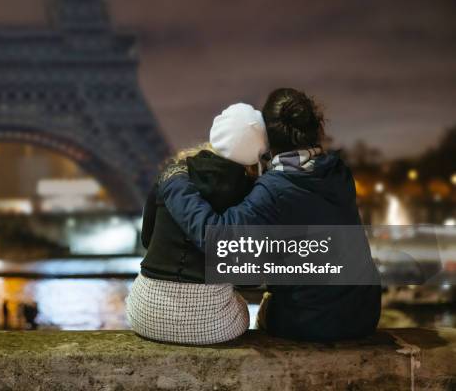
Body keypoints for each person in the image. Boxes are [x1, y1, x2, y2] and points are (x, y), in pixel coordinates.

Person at [158, 88, 382, 342]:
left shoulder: (275, 188)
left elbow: (218, 240)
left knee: (260, 310)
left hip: (312, 323)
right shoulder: (338, 172)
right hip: (365, 314)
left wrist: (174, 182)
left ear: (267, 138)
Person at [126, 102, 268, 345]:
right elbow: (248, 278)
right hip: (212, 325)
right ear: (258, 152)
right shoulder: (252, 195)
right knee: (242, 307)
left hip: (144, 313)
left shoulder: (171, 176)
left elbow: (147, 239)